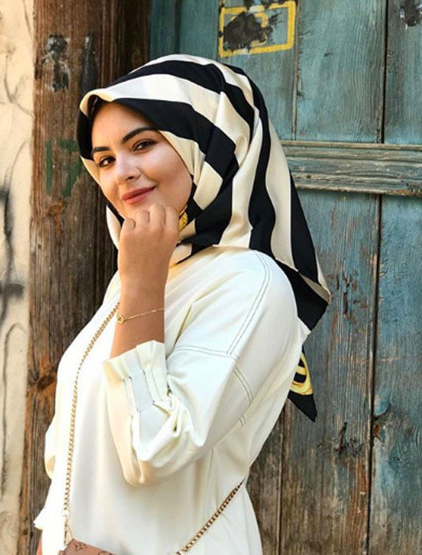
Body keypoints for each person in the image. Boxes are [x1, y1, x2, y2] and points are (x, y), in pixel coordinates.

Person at [34, 54, 331, 554]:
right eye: (104, 160)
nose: (121, 173)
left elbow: (152, 449)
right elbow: (69, 454)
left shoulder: (252, 283)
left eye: (142, 145)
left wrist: (142, 283)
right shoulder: (147, 272)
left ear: (209, 141)